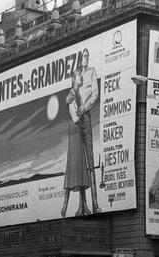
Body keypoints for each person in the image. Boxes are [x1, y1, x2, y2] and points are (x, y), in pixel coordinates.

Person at [66, 47, 101, 214]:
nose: (86, 58)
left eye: (88, 56)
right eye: (84, 56)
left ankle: (95, 203)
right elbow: (71, 94)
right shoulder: (76, 74)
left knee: (90, 160)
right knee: (80, 161)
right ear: (80, 58)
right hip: (76, 120)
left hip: (85, 116)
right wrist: (67, 100)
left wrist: (85, 107)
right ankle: (82, 204)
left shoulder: (92, 72)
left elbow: (95, 93)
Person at [61, 68, 92, 217]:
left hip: (77, 131)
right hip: (75, 131)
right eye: (79, 78)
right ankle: (68, 205)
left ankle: (82, 205)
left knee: (80, 165)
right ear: (75, 80)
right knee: (75, 165)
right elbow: (74, 117)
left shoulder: (77, 94)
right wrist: (82, 111)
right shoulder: (72, 94)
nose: (81, 80)